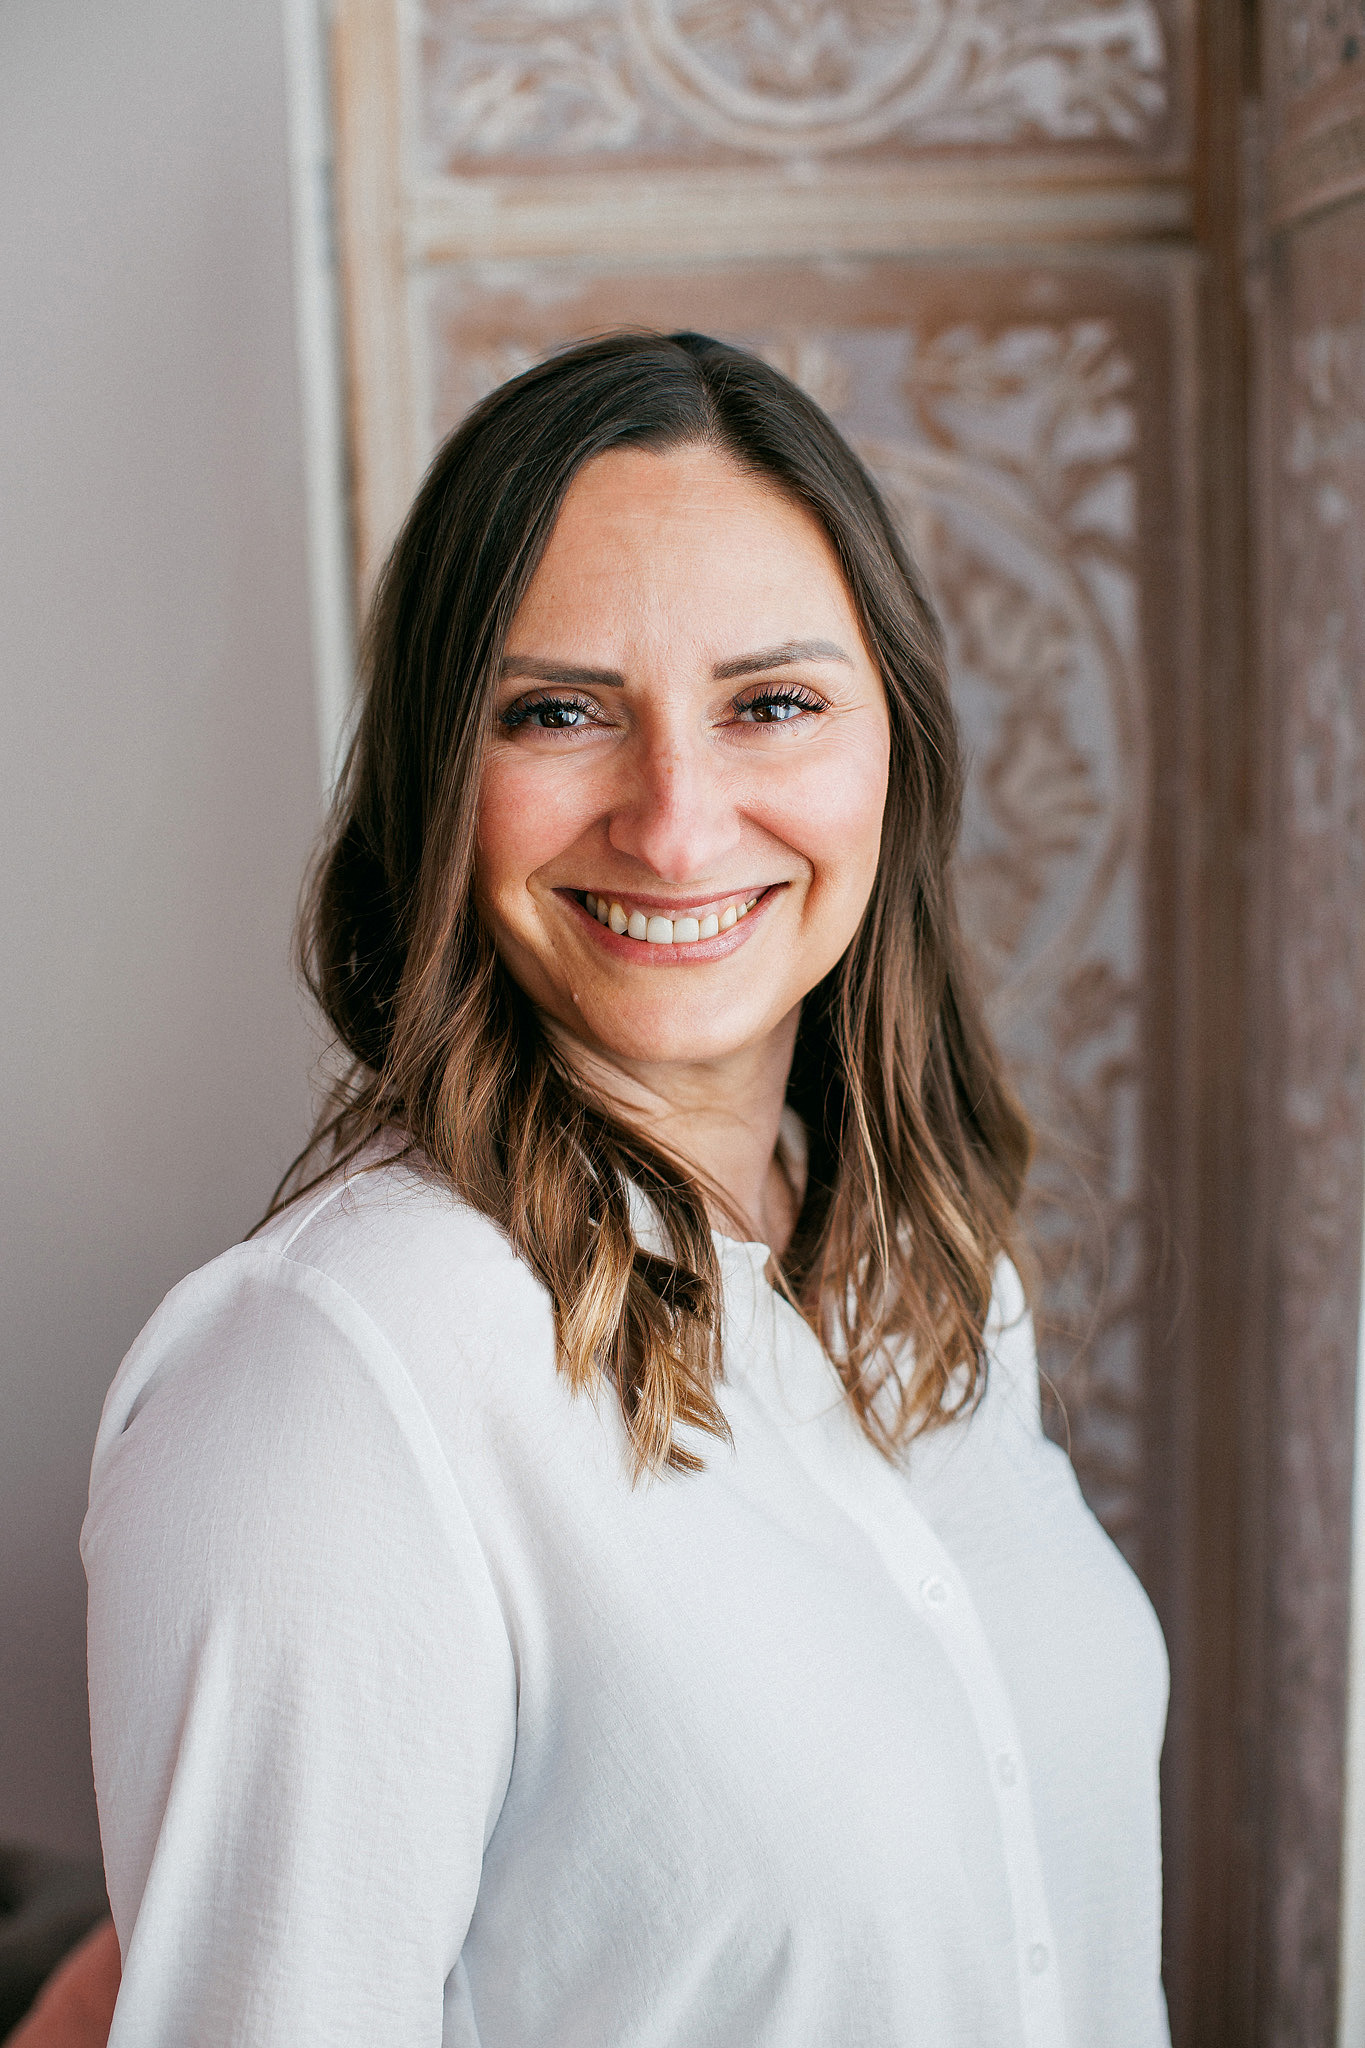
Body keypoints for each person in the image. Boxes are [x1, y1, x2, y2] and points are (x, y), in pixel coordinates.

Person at [82, 331, 1170, 2047]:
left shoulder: (923, 1285)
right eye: (561, 711)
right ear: (442, 774)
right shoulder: (327, 1389)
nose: (674, 824)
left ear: (892, 747)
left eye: (771, 703)